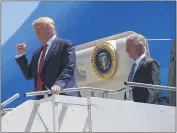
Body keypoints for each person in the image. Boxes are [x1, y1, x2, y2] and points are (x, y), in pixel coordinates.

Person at [15, 17, 81, 99]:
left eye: (39, 28)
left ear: (51, 28)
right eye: (35, 30)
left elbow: (68, 67)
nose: (36, 32)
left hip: (64, 96)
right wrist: (21, 55)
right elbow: (29, 75)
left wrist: (59, 84)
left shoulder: (65, 45)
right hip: (43, 100)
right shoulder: (37, 53)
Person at [124, 33, 160, 104]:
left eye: (129, 47)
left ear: (139, 47)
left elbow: (153, 89)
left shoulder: (150, 63)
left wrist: (146, 107)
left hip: (143, 109)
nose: (126, 50)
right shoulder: (134, 66)